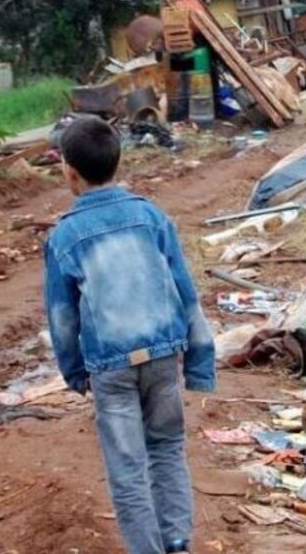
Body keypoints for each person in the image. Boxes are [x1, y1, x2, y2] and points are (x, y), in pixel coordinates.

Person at [44, 116, 215, 554]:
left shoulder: (65, 235)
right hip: (163, 357)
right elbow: (185, 291)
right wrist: (199, 361)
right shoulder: (150, 217)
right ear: (119, 161)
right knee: (167, 450)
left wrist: (74, 373)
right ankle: (177, 543)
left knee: (127, 470)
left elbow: (62, 318)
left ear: (69, 171)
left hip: (111, 367)